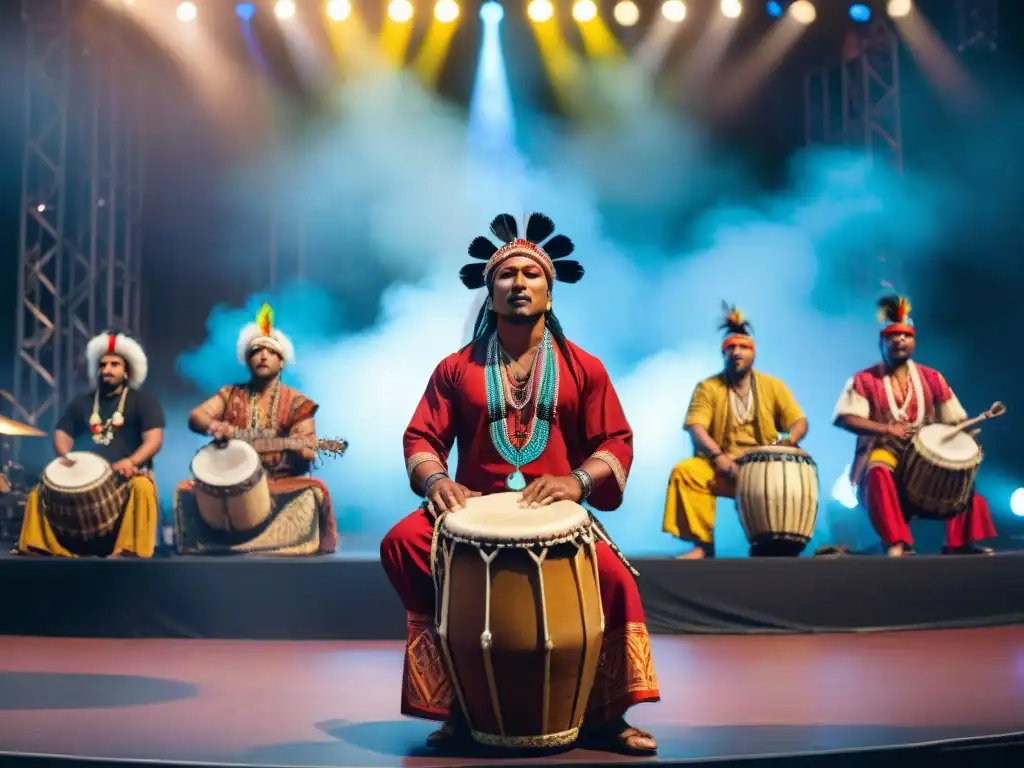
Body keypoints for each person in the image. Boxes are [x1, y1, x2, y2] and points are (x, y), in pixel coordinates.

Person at [379, 213, 660, 755]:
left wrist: (578, 480)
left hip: (555, 515)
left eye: (531, 275)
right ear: (490, 295)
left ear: (549, 295)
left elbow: (617, 441)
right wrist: (437, 480)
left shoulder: (585, 368)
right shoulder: (455, 368)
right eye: (506, 276)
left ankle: (606, 716)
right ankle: (458, 703)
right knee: (401, 543)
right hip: (469, 510)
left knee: (617, 583)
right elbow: (420, 437)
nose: (518, 284)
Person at [832, 294, 996, 556]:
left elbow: (956, 418)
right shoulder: (864, 380)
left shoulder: (932, 378)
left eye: (906, 336)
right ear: (881, 343)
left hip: (925, 452)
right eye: (892, 336)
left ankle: (958, 543)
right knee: (877, 471)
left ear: (914, 341)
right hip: (888, 450)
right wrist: (887, 429)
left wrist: (967, 435)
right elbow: (845, 417)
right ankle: (896, 542)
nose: (899, 340)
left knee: (962, 473)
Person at [177, 303, 338, 554]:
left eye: (270, 351)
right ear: (247, 360)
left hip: (279, 483)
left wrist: (301, 447)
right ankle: (209, 542)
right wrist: (214, 425)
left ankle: (283, 543)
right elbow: (196, 417)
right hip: (226, 483)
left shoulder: (297, 403)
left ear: (281, 361)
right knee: (185, 490)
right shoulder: (229, 394)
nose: (263, 356)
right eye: (256, 351)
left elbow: (308, 448)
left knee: (313, 491)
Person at [662, 304, 808, 558]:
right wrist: (719, 457)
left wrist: (790, 440)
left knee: (791, 475)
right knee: (686, 472)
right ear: (723, 353)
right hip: (722, 465)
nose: (737, 352)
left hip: (764, 467)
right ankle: (702, 545)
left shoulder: (772, 386)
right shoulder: (708, 387)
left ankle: (770, 543)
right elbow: (696, 426)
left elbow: (798, 420)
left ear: (754, 353)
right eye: (731, 347)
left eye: (744, 347)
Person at [15, 331, 164, 557]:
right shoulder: (82, 401)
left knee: (142, 488)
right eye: (103, 364)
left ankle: (128, 550)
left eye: (115, 364)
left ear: (127, 371)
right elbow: (62, 433)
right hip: (82, 475)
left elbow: (154, 439)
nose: (107, 369)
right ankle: (40, 547)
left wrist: (131, 461)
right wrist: (65, 457)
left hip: (124, 475)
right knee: (39, 491)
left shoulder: (142, 401)